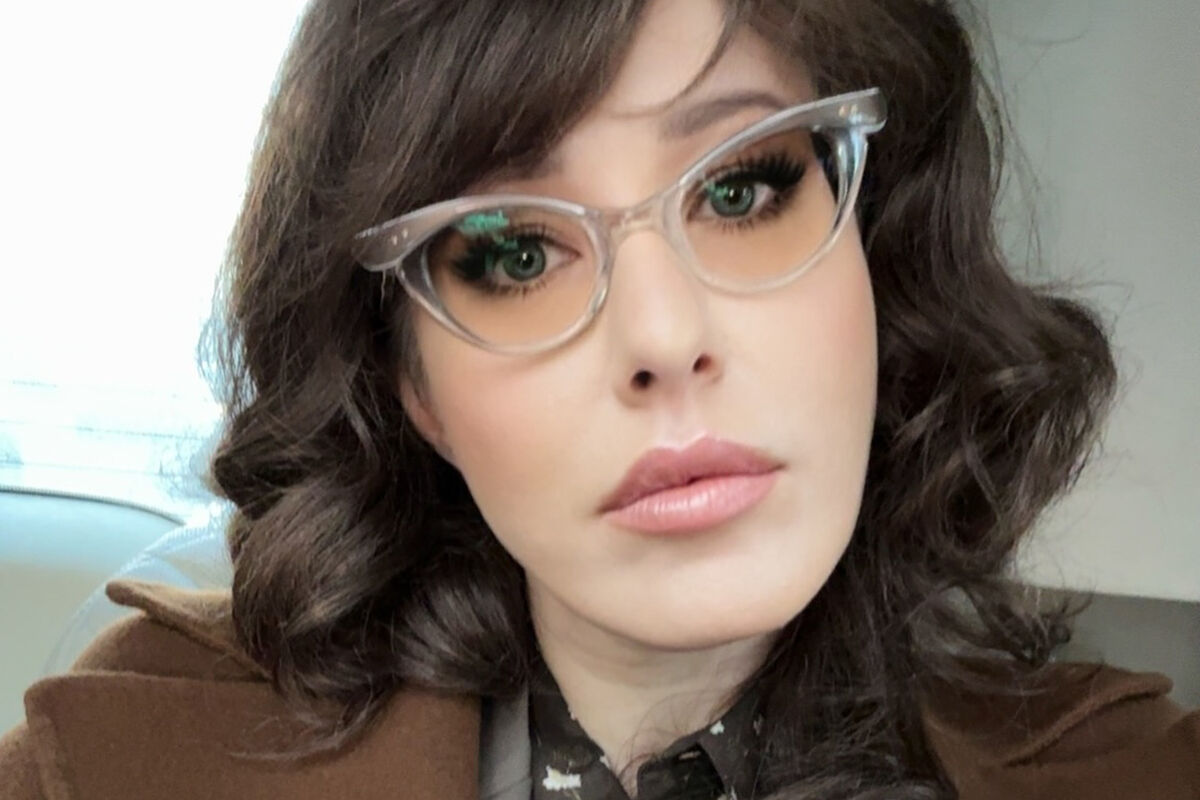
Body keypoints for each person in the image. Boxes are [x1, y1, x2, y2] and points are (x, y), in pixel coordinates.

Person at [2, 0, 1197, 798]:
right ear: (410, 384)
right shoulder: (110, 764)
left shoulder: (1144, 771)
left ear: (876, 254)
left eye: (742, 187)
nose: (664, 337)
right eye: (515, 252)